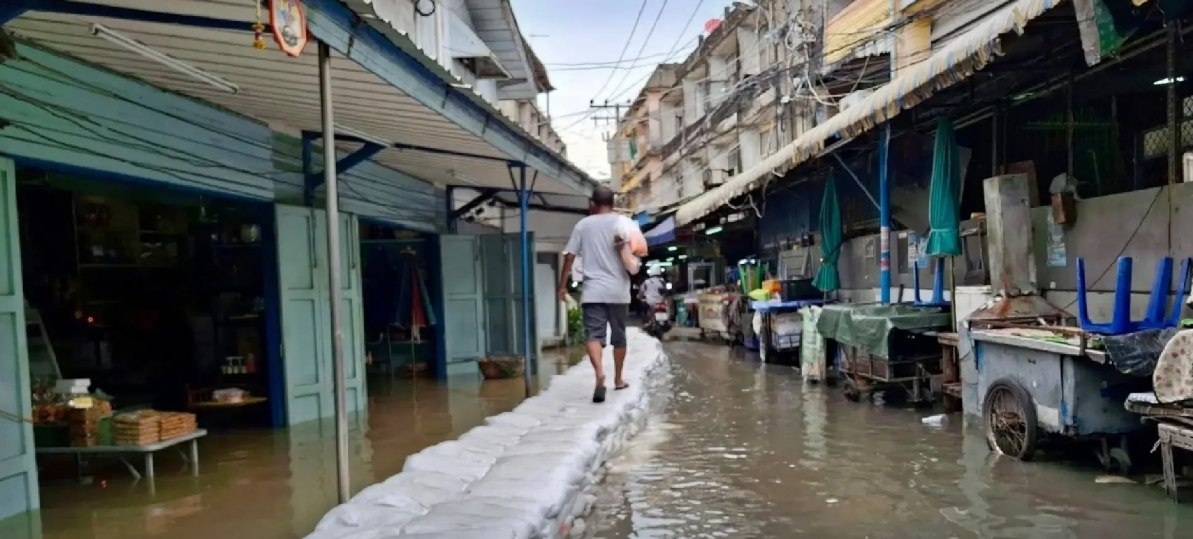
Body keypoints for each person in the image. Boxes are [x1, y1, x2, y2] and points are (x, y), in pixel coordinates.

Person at [558, 186, 636, 403]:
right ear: (612, 203)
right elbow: (637, 251)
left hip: (593, 291)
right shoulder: (623, 223)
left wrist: (562, 286)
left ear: (592, 204)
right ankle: (618, 379)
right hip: (618, 290)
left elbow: (569, 257)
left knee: (594, 335)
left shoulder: (582, 225)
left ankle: (599, 373)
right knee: (619, 336)